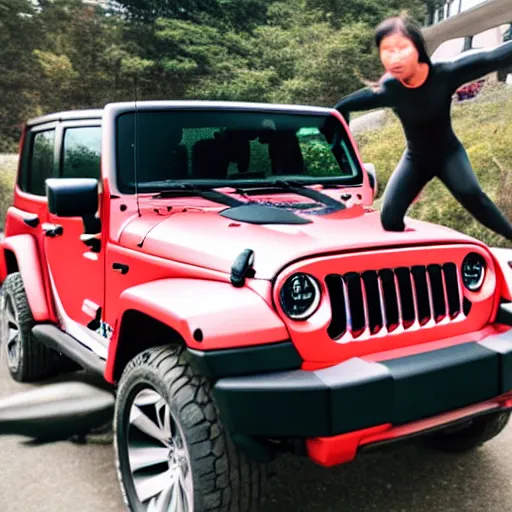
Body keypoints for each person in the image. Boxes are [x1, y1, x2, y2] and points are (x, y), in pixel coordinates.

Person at [334, 14, 512, 240]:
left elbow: (493, 57)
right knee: (389, 219)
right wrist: (342, 157)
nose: (395, 58)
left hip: (448, 155)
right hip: (415, 159)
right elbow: (341, 108)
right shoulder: (389, 89)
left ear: (417, 49)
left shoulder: (445, 74)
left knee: (473, 197)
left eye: (402, 49)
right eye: (387, 51)